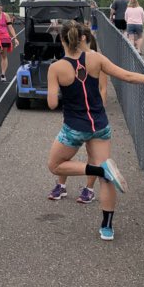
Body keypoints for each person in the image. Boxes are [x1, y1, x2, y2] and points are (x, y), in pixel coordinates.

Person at [46, 21, 144, 240]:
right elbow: (128, 76)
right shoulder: (96, 59)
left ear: (62, 39)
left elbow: (52, 104)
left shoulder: (56, 68)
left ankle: (99, 169)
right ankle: (107, 227)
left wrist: (58, 91)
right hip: (100, 126)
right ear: (83, 38)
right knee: (107, 178)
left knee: (55, 166)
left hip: (74, 127)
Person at [48, 23, 102, 204]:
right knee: (67, 154)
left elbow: (102, 89)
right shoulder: (80, 59)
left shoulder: (96, 59)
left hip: (88, 117)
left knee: (90, 153)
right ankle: (62, 186)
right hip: (80, 118)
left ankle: (89, 189)